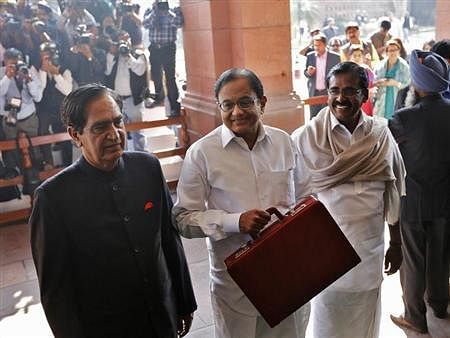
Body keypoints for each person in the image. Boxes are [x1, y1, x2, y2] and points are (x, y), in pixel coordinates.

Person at [30, 84, 197, 338]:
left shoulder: (148, 168)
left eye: (118, 122)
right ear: (75, 135)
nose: (114, 134)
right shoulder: (53, 198)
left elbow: (168, 239)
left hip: (161, 319)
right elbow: (57, 293)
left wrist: (184, 303)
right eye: (99, 127)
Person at [173, 68, 310, 338]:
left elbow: (306, 197)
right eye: (227, 105)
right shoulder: (202, 153)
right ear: (219, 107)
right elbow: (183, 219)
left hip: (287, 276)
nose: (237, 112)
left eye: (245, 102)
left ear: (262, 103)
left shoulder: (283, 142)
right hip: (236, 286)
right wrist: (234, 222)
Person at [292, 61, 405, 338]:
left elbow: (393, 192)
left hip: (369, 254)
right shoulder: (307, 137)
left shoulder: (381, 135)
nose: (341, 98)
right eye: (334, 90)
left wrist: (397, 242)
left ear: (365, 95)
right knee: (327, 326)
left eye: (350, 91)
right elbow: (292, 198)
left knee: (365, 325)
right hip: (325, 259)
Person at [389, 50, 450, 334]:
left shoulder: (402, 119)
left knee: (413, 260)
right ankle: (439, 303)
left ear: (416, 82)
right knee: (440, 254)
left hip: (412, 200)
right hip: (446, 200)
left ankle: (415, 316)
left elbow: (393, 162)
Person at [105, 31, 148, 151]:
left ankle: (142, 157)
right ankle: (122, 158)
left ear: (130, 40)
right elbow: (107, 72)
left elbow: (140, 70)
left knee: (138, 131)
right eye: (121, 40)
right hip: (117, 101)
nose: (123, 43)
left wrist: (128, 56)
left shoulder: (138, 54)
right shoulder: (114, 56)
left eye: (126, 39)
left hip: (133, 100)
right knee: (119, 132)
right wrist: (111, 54)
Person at [0, 47, 42, 170]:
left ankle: (38, 171)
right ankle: (18, 173)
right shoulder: (1, 73)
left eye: (18, 64)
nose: (16, 68)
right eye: (12, 65)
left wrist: (29, 80)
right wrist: (8, 77)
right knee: (12, 150)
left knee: (35, 147)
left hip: (29, 118)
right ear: (5, 63)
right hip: (9, 120)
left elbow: (38, 97)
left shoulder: (29, 71)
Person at [36, 41, 73, 169]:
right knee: (42, 133)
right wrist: (43, 72)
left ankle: (69, 165)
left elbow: (68, 91)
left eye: (48, 55)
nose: (46, 58)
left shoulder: (65, 69)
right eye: (43, 55)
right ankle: (49, 163)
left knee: (65, 135)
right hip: (44, 109)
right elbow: (38, 92)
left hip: (60, 109)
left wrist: (56, 74)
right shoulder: (35, 68)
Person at [143, 1, 183, 116]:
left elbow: (179, 23)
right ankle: (158, 98)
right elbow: (145, 24)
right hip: (154, 47)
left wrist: (167, 12)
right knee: (156, 75)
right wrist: (155, 11)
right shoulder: (150, 10)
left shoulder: (174, 9)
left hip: (168, 47)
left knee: (170, 77)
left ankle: (174, 105)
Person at [304, 33, 341, 119]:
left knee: (328, 117)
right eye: (315, 45)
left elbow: (339, 75)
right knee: (313, 118)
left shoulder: (335, 57)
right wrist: (309, 72)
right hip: (314, 93)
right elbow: (306, 73)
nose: (316, 48)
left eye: (319, 45)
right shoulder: (310, 56)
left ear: (325, 45)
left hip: (328, 92)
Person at [373, 40, 410, 119]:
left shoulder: (404, 66)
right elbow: (374, 81)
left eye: (395, 50)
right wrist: (380, 82)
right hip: (382, 98)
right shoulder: (380, 65)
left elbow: (408, 83)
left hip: (397, 97)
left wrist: (396, 83)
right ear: (386, 52)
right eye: (390, 50)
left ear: (399, 51)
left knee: (396, 121)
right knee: (382, 121)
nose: (393, 52)